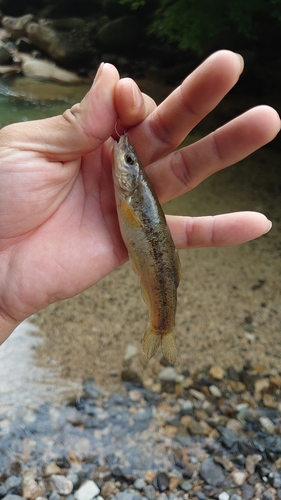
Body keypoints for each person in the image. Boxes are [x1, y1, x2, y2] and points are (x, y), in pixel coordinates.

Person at [0, 50, 279, 345]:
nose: (126, 156)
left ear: (133, 180)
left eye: (130, 161)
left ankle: (162, 326)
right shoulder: (121, 189)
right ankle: (162, 325)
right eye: (131, 160)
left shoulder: (129, 192)